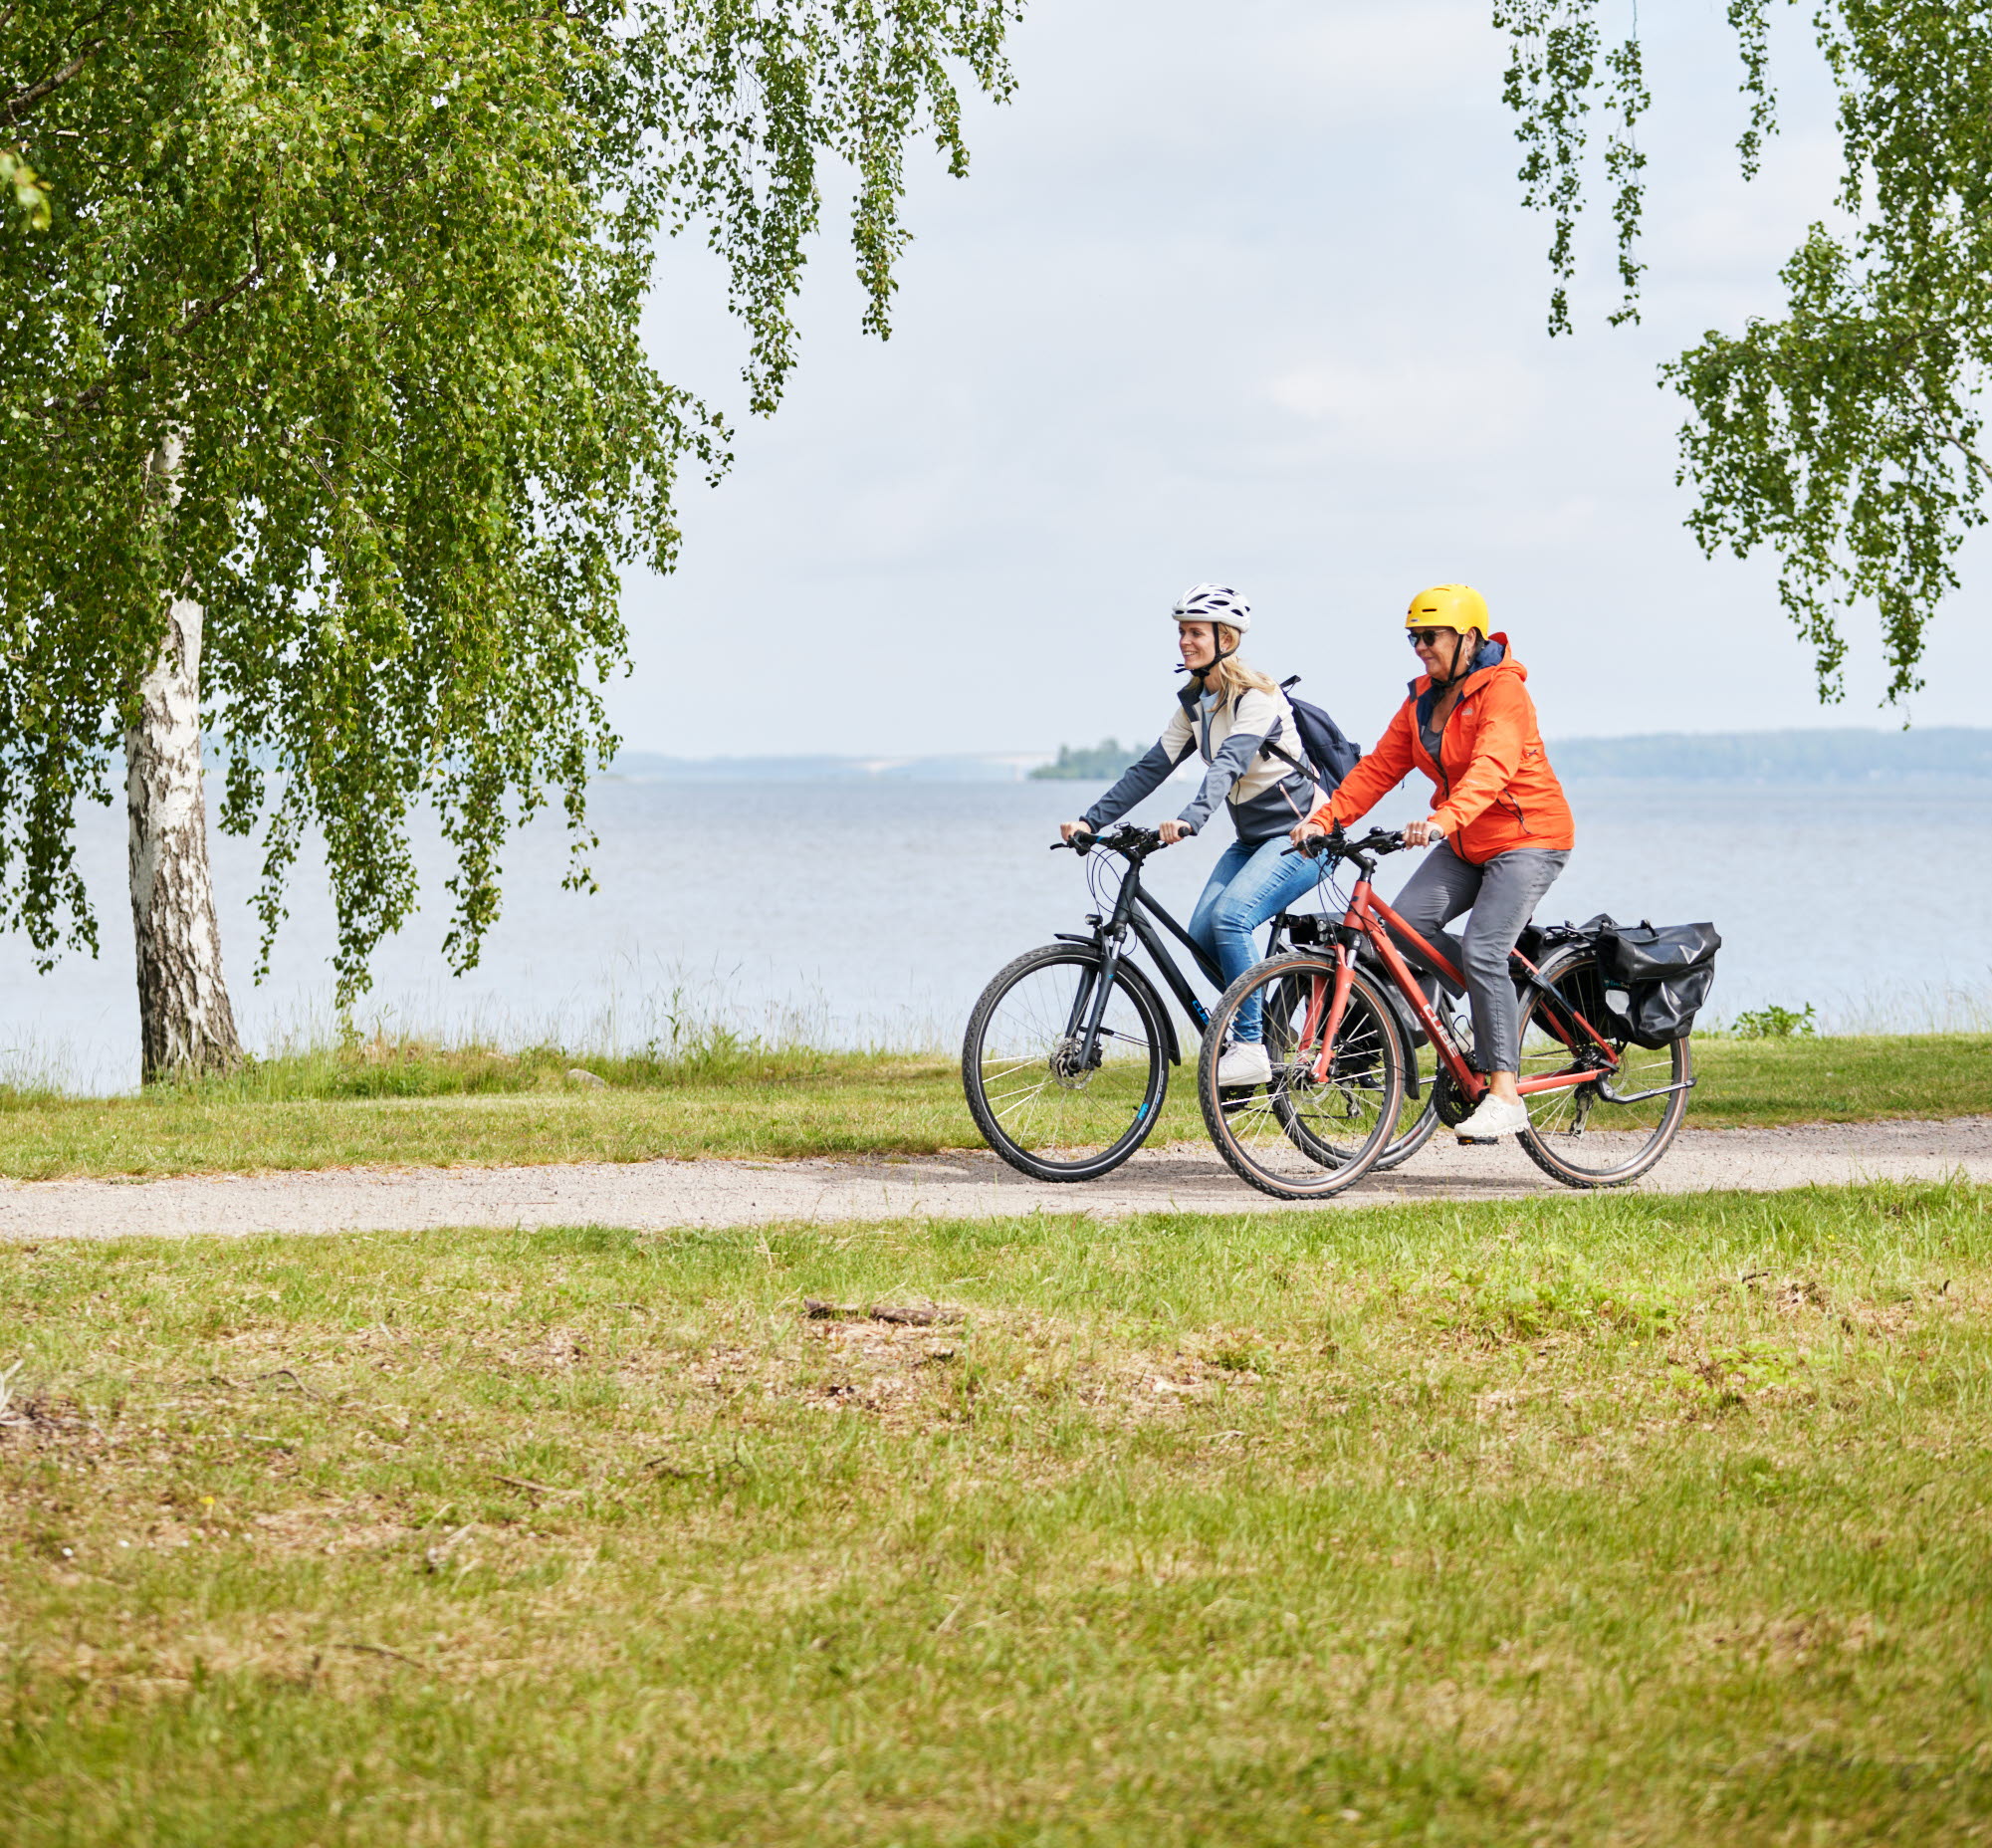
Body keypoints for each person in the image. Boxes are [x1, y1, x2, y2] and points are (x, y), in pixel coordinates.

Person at [1291, 583, 1574, 1142]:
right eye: (1413, 637)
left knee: (1483, 945)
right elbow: (1377, 769)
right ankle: (1501, 995)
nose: (1420, 647)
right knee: (1400, 932)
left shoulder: (1504, 693)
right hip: (1467, 841)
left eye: (1431, 636)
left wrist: (1444, 819)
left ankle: (1504, 1093)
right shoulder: (1422, 698)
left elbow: (1492, 769)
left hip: (1528, 836)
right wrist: (1326, 819)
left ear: (1468, 637)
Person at [1058, 584, 1326, 1086]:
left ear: (1226, 638)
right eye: (1181, 631)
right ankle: (1266, 1030)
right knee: (1203, 936)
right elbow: (1148, 769)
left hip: (1304, 836)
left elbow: (1227, 766)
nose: (1184, 640)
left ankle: (1248, 1046)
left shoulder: (1258, 699)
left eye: (1195, 632)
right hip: (1253, 840)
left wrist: (1191, 818)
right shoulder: (1195, 706)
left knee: (1231, 918)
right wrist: (1092, 820)